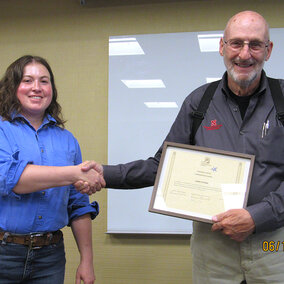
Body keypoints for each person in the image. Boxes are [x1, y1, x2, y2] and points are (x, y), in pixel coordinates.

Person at [78, 11, 284, 284]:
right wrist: (104, 173)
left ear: (268, 50)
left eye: (255, 44)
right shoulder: (199, 102)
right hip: (213, 247)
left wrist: (257, 216)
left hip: (273, 245)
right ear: (222, 47)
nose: (244, 54)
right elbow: (161, 166)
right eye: (236, 43)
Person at [0, 55, 105, 284]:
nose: (36, 88)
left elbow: (78, 205)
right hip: (4, 254)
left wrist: (86, 260)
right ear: (13, 87)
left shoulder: (68, 141)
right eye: (27, 80)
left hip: (50, 258)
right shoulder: (2, 130)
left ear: (52, 89)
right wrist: (74, 173)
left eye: (44, 81)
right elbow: (11, 179)